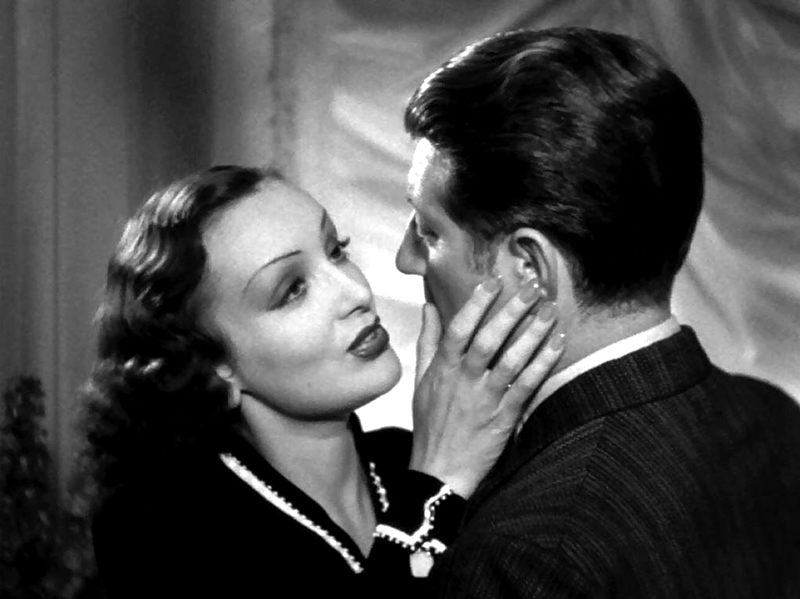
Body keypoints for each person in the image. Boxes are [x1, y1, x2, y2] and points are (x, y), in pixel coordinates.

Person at [392, 26, 800, 597]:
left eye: (428, 231)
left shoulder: (526, 553)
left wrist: (430, 490)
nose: (406, 259)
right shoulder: (775, 419)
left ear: (529, 267)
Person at [84, 165, 564, 598]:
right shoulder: (161, 526)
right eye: (292, 289)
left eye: (336, 252)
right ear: (211, 362)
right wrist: (437, 485)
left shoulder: (405, 460)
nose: (355, 292)